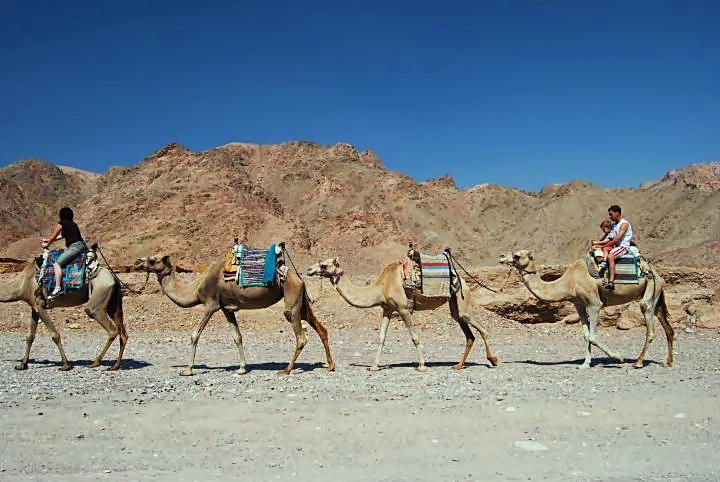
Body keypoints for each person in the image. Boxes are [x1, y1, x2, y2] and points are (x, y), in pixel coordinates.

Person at [41, 207, 88, 299]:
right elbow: (61, 236)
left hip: (75, 247)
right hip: (82, 246)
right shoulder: (73, 224)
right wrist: (47, 240)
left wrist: (46, 244)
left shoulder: (61, 224)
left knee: (56, 265)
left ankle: (57, 288)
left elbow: (54, 236)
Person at [593, 205, 633, 290]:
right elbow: (609, 236)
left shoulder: (624, 224)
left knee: (611, 256)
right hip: (614, 246)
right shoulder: (614, 225)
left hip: (622, 246)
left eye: (611, 214)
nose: (610, 217)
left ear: (617, 213)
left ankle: (611, 282)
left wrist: (603, 246)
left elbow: (616, 239)